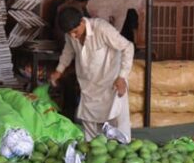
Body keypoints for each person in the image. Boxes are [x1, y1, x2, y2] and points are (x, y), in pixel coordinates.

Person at [50, 8, 134, 142]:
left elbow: (128, 47)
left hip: (112, 82)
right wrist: (59, 70)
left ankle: (122, 149)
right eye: (69, 33)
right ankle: (91, 150)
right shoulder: (71, 35)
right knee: (88, 121)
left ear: (82, 22)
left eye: (75, 32)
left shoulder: (101, 28)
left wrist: (122, 76)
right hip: (89, 85)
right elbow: (68, 52)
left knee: (117, 119)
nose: (73, 36)